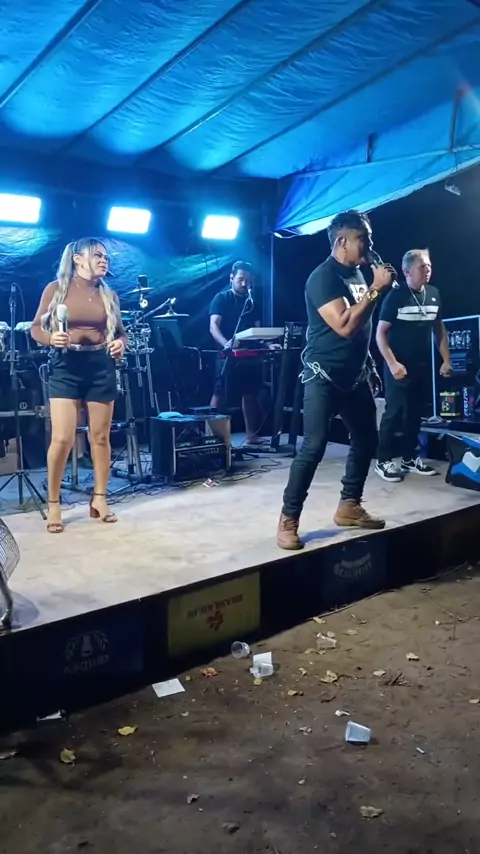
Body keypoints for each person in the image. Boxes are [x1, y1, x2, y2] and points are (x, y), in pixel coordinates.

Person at [277, 210, 395, 551]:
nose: (370, 244)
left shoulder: (357, 273)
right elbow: (345, 325)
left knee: (367, 439)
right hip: (324, 375)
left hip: (355, 375)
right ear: (342, 241)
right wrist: (376, 289)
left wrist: (370, 364)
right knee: (314, 446)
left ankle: (349, 505)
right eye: (363, 239)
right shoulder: (322, 277)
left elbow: (362, 328)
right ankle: (288, 519)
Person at [31, 237, 127, 533]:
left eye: (106, 256)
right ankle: (54, 503)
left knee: (100, 437)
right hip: (66, 366)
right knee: (62, 437)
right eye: (97, 255)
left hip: (100, 365)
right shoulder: (56, 289)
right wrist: (51, 338)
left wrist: (120, 344)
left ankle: (99, 498)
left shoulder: (109, 294)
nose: (103, 260)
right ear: (77, 259)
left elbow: (121, 333)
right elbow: (35, 328)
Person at [375, 248, 452, 481]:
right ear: (407, 271)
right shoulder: (396, 296)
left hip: (421, 364)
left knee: (415, 413)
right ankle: (383, 460)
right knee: (394, 412)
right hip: (398, 365)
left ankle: (409, 457)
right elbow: (380, 334)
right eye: (422, 266)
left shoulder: (434, 293)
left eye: (429, 265)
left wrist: (446, 360)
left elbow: (439, 329)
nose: (427, 270)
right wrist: (392, 364)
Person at [209, 260, 264, 443]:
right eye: (241, 279)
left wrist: (266, 345)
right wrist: (226, 343)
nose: (244, 284)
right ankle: (214, 437)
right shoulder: (221, 298)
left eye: (248, 281)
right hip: (225, 354)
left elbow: (257, 331)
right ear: (231, 278)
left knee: (250, 393)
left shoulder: (252, 303)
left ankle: (252, 435)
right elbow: (213, 326)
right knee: (220, 393)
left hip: (248, 354)